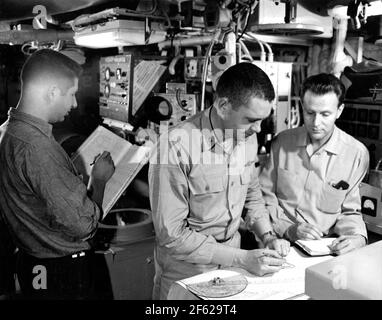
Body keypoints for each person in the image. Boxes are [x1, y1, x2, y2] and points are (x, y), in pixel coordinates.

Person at [149, 62, 290, 300]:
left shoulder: (247, 138)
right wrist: (242, 258)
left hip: (234, 264)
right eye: (251, 119)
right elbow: (172, 236)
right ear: (223, 106)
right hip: (187, 270)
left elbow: (252, 196)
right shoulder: (175, 147)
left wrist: (267, 236)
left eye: (262, 120)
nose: (257, 129)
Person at [0, 49, 115, 299]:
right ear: (52, 91)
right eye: (71, 94)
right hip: (64, 272)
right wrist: (100, 179)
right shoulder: (37, 147)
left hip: (33, 261)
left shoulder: (6, 131)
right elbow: (84, 225)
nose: (74, 104)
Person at [260, 73, 369, 255]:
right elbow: (264, 196)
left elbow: (350, 211)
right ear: (302, 107)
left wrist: (356, 238)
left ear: (339, 110)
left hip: (323, 248)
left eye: (325, 114)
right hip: (277, 241)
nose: (316, 123)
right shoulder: (282, 143)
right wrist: (288, 229)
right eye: (310, 113)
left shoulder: (356, 155)